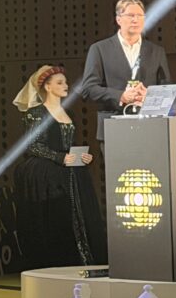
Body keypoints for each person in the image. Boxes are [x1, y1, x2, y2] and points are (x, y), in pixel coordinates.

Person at [13, 64, 107, 267]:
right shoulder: (36, 113)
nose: (65, 86)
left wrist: (81, 156)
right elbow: (32, 145)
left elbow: (70, 143)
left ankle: (84, 258)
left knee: (80, 214)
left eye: (65, 82)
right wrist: (59, 157)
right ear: (47, 87)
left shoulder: (68, 113)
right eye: (59, 82)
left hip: (71, 170)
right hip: (46, 173)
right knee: (57, 215)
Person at [80, 0, 172, 138]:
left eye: (140, 16)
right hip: (113, 127)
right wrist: (121, 96)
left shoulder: (156, 51)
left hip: (149, 128)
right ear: (118, 20)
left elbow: (167, 90)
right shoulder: (100, 49)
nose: (135, 20)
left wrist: (149, 95)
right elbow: (89, 89)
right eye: (130, 15)